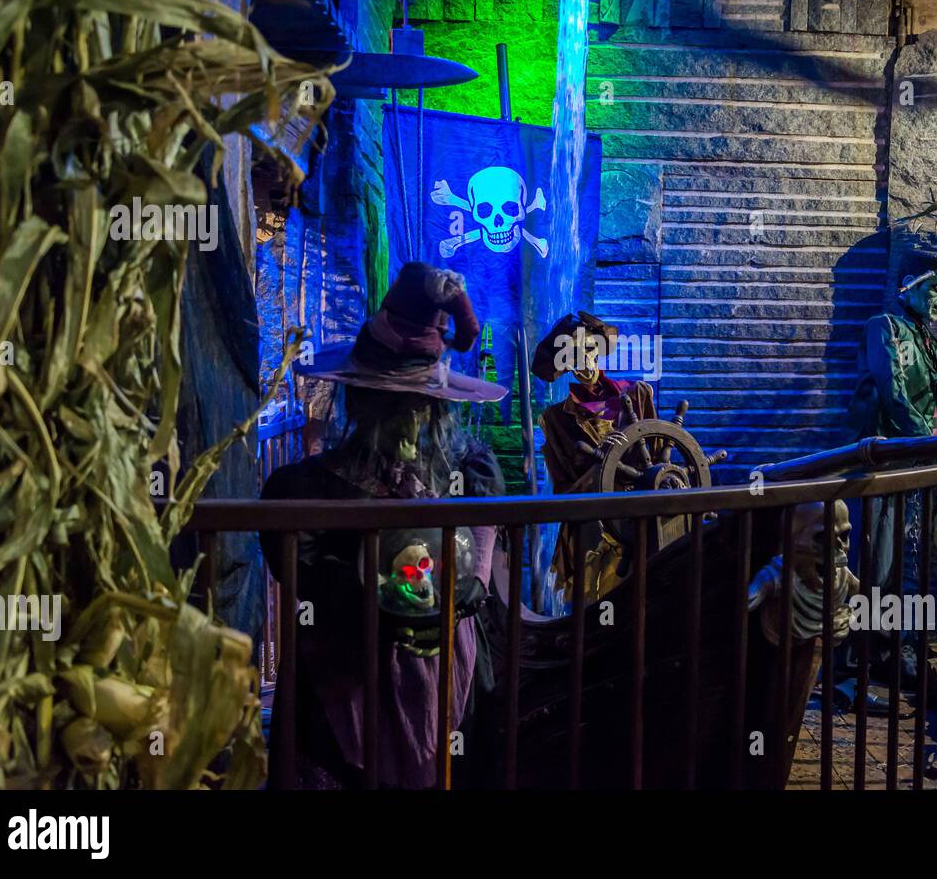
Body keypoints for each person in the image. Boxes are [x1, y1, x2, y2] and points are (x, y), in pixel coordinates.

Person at [260, 262, 506, 788]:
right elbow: (305, 573)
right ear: (365, 400)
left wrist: (449, 597)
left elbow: (475, 573)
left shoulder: (471, 473)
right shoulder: (304, 491)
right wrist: (378, 593)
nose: (411, 418)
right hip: (343, 688)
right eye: (397, 403)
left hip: (451, 683)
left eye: (420, 404)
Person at [841, 237, 937, 696]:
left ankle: (888, 653)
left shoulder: (926, 339)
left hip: (909, 465)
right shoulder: (884, 327)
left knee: (902, 567)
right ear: (910, 286)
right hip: (878, 465)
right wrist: (928, 443)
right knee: (872, 563)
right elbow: (895, 394)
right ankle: (849, 665)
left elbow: (932, 402)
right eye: (936, 292)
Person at [531, 311, 659, 604]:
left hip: (642, 521)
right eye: (573, 355)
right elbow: (564, 492)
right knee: (597, 608)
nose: (584, 361)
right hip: (592, 531)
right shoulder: (555, 420)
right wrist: (603, 464)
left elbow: (659, 463)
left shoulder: (637, 395)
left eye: (588, 350)